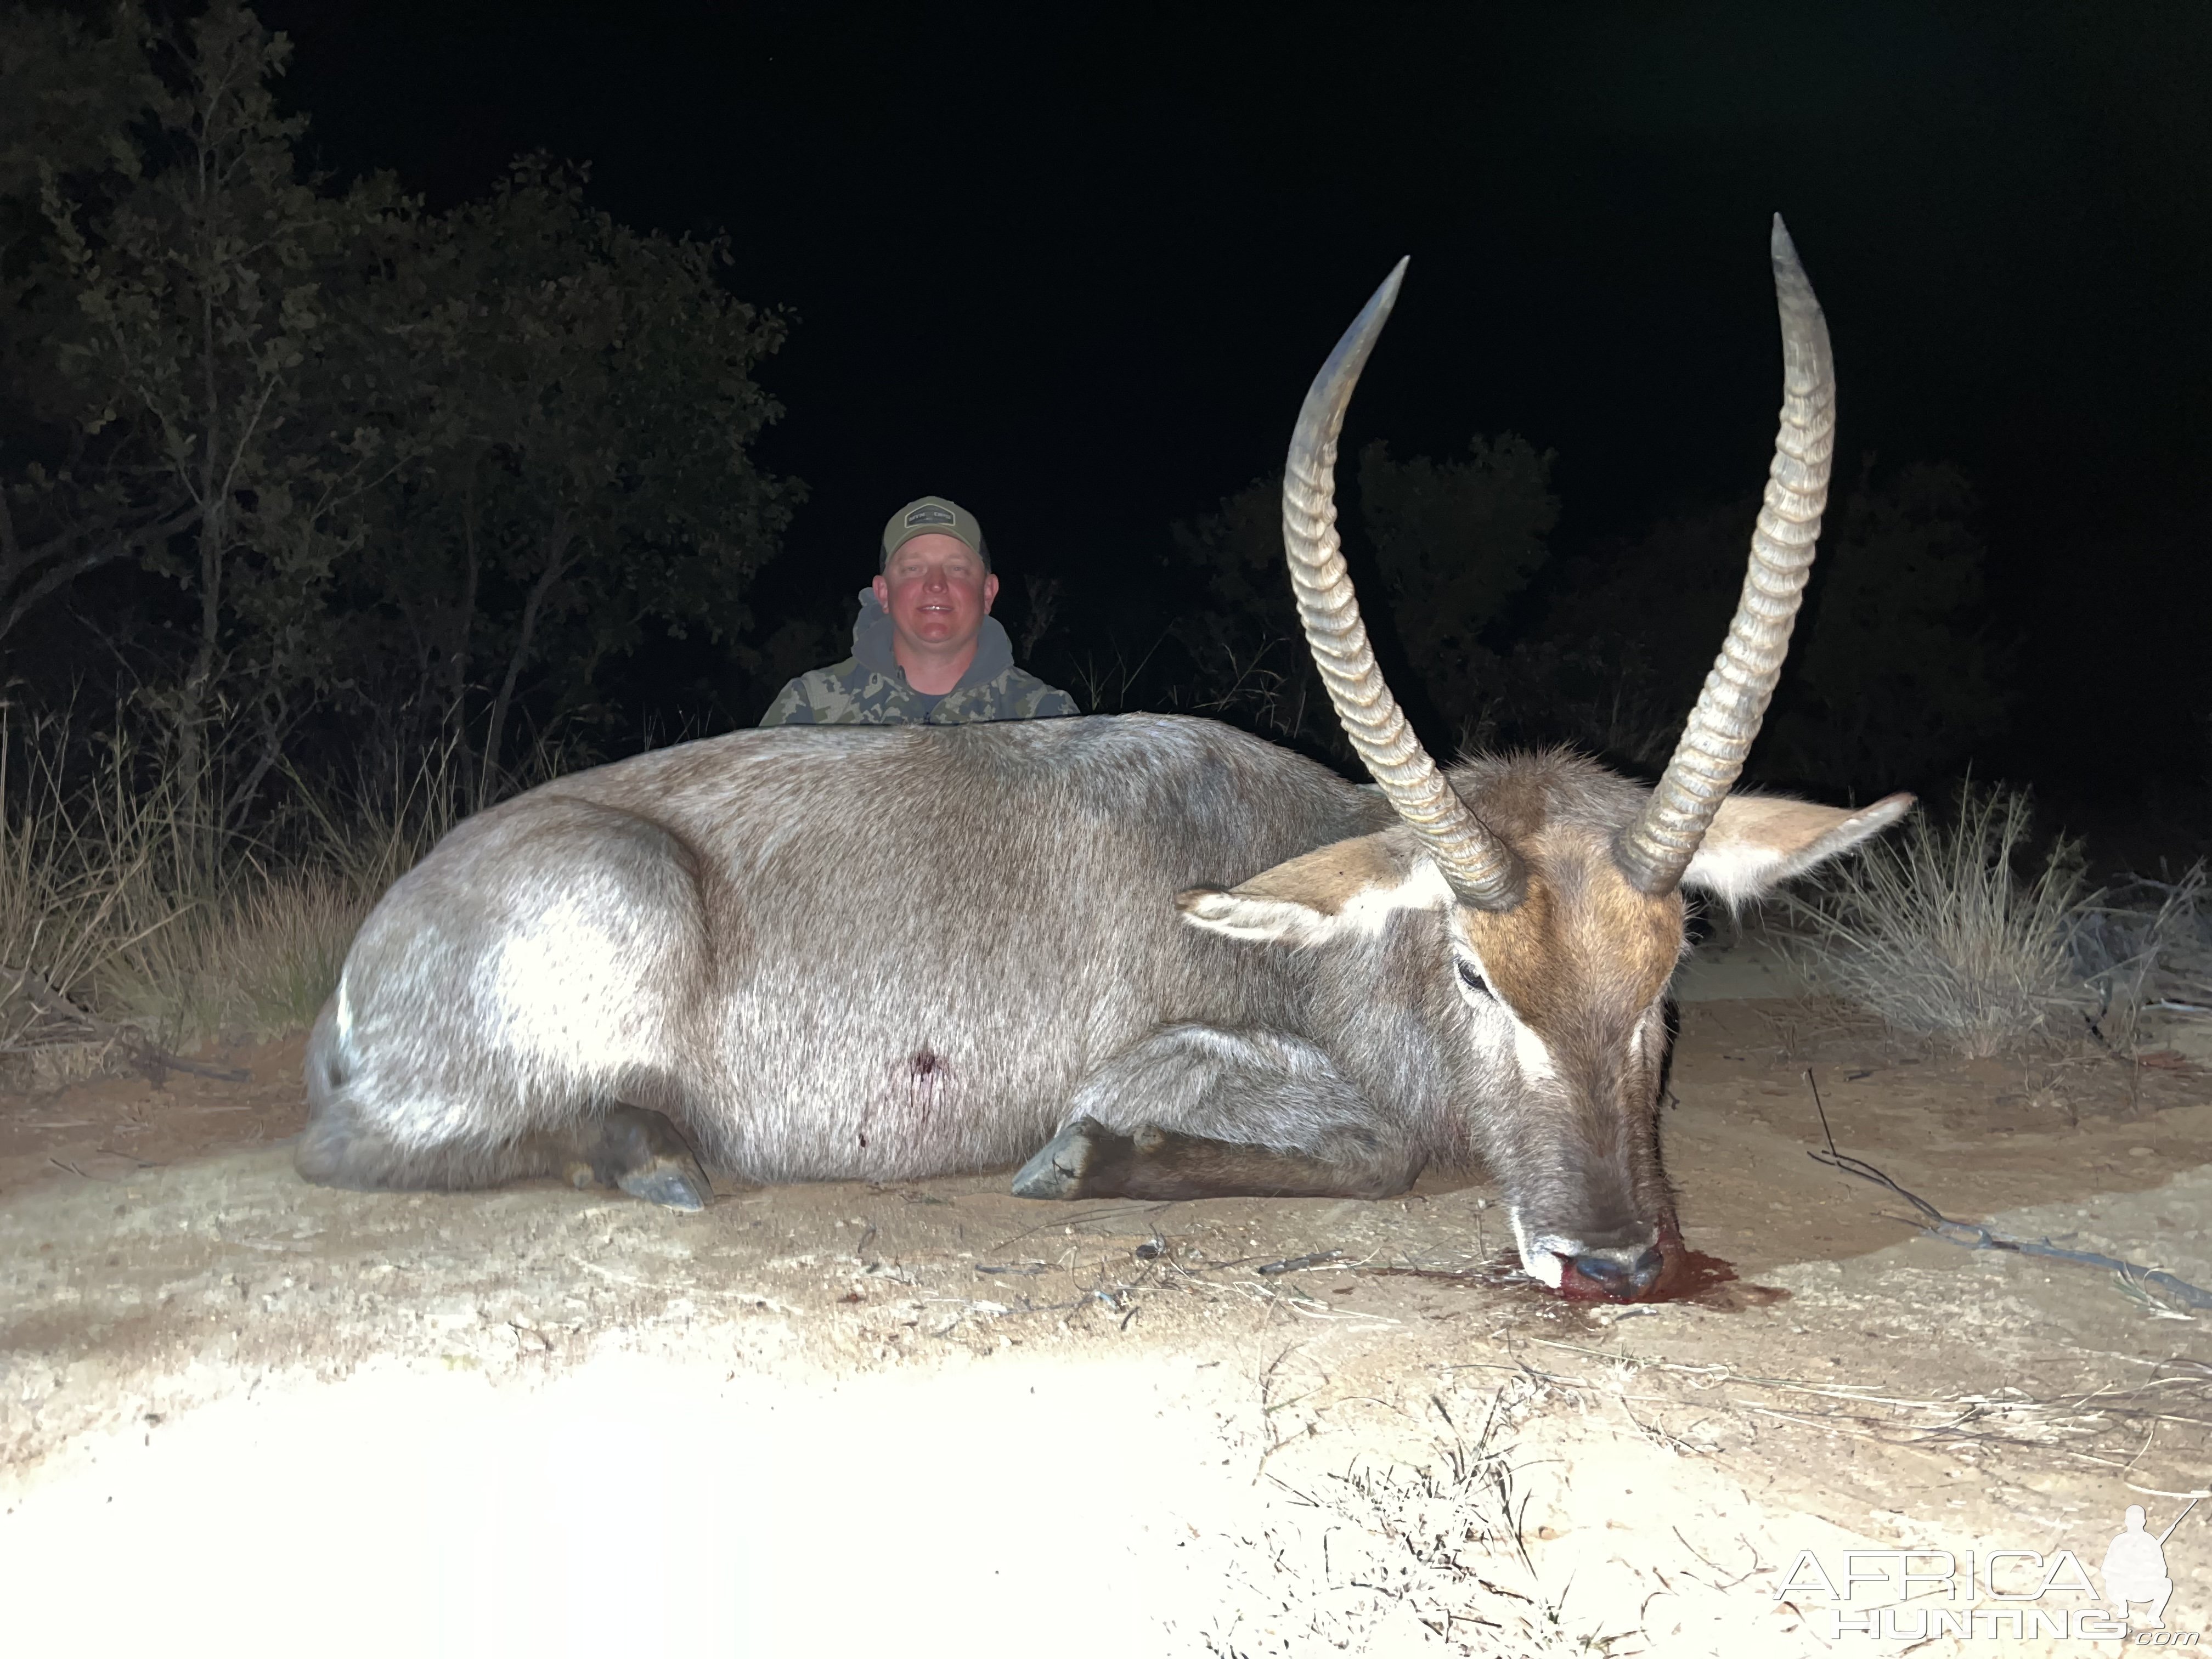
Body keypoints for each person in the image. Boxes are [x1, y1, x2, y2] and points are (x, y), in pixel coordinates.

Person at [760, 495, 1078, 726]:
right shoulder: (808, 708)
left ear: (987, 593)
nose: (936, 584)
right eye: (913, 569)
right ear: (883, 593)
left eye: (957, 568)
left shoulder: (1047, 715)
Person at [2102, 1505, 2174, 1629]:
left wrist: (2147, 1573)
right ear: (2126, 1522)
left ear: (2144, 1522)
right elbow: (2106, 1569)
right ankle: (2122, 1606)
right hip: (2123, 1587)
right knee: (2112, 1582)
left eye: (2138, 1521)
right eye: (2132, 1521)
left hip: (2144, 1586)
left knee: (2167, 1584)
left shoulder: (2151, 1541)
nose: (2135, 1524)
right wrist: (2125, 1572)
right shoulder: (2118, 1541)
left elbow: (2162, 1570)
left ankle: (2154, 1615)